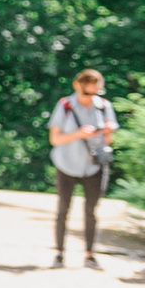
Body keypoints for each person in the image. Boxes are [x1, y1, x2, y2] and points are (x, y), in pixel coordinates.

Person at [47, 69, 117, 267]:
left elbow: (108, 140)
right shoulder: (65, 106)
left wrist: (106, 132)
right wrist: (78, 134)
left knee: (91, 211)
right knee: (63, 209)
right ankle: (59, 253)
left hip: (93, 165)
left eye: (96, 87)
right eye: (89, 86)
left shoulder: (104, 106)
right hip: (66, 163)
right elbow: (55, 139)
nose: (92, 91)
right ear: (78, 85)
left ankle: (90, 254)